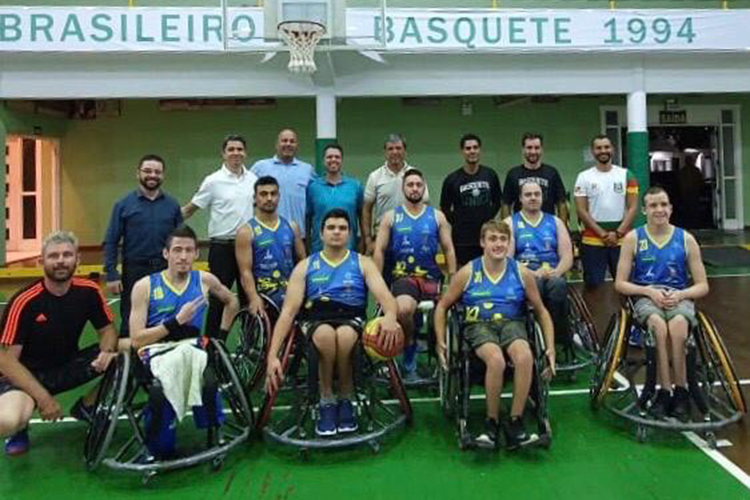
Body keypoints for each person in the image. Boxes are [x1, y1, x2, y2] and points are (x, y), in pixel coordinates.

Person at [265, 209, 402, 437]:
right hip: (315, 319)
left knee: (346, 335)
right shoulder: (305, 266)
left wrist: (390, 317)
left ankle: (346, 396)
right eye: (331, 228)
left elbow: (387, 299)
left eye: (342, 228)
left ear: (349, 234)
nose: (336, 232)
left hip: (351, 318)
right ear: (321, 233)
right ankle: (326, 397)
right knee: (326, 335)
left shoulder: (363, 263)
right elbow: (288, 313)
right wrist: (272, 356)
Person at [434, 220, 555, 449]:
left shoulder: (521, 272)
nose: (498, 244)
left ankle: (515, 422)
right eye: (492, 239)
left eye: (503, 239)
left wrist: (550, 347)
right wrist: (441, 341)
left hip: (512, 323)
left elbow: (541, 311)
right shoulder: (468, 271)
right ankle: (492, 422)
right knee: (496, 359)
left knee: (525, 356)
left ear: (509, 243)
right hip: (479, 325)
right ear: (483, 242)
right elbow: (442, 307)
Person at [0, 231, 119, 456]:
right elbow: (7, 361)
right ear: (41, 262)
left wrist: (107, 351)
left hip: (67, 366)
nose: (61, 261)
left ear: (77, 260)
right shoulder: (24, 301)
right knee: (8, 420)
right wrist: (43, 399)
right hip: (27, 375)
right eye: (53, 256)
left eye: (67, 255)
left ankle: (87, 407)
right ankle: (19, 428)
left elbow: (107, 330)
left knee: (129, 353)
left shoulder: (89, 291)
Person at [129, 225, 239, 459]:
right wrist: (175, 322)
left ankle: (213, 430)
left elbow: (232, 301)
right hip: (156, 350)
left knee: (209, 381)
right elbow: (136, 339)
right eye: (177, 250)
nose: (183, 256)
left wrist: (221, 337)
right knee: (160, 390)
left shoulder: (204, 280)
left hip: (191, 346)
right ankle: (158, 445)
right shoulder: (145, 286)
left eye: (189, 250)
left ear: (196, 254)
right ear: (166, 253)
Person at [614, 186, 709, 419]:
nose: (659, 209)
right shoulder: (633, 238)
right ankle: (664, 391)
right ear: (644, 210)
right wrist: (647, 291)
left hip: (678, 296)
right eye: (653, 205)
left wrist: (681, 295)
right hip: (646, 296)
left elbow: (703, 286)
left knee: (678, 327)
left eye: (664, 204)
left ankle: (681, 390)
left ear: (671, 208)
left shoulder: (686, 239)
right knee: (657, 326)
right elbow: (620, 284)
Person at [374, 169, 457, 381]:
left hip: (431, 278)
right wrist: (377, 283)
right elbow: (379, 251)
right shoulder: (390, 217)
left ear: (424, 187)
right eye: (410, 185)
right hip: (403, 278)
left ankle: (440, 355)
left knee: (443, 313)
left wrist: (453, 278)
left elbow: (448, 249)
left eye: (418, 185)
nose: (414, 189)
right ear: (403, 188)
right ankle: (409, 352)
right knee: (403, 309)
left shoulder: (437, 216)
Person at [182, 134, 257, 337]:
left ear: (245, 153)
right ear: (223, 154)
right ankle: (212, 344)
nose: (235, 153)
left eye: (239, 149)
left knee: (249, 298)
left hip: (248, 248)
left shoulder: (253, 180)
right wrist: (167, 221)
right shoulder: (212, 181)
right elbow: (190, 209)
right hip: (221, 248)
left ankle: (249, 344)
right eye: (231, 149)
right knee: (218, 298)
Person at [103, 154, 183, 337]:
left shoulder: (172, 205)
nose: (152, 175)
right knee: (131, 320)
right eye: (147, 171)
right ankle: (130, 354)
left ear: (162, 175)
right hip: (134, 272)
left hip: (165, 271)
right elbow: (111, 241)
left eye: (157, 172)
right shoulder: (123, 205)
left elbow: (180, 241)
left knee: (168, 318)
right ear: (138, 173)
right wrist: (111, 274)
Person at [504, 182, 573, 351]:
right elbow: (507, 260)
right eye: (528, 195)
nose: (533, 198)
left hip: (552, 273)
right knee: (537, 285)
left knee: (558, 286)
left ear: (542, 197)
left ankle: (558, 337)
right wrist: (533, 273)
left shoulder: (555, 222)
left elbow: (567, 256)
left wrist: (556, 271)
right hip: (525, 273)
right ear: (520, 198)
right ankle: (534, 337)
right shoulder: (510, 223)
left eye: (537, 194)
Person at [235, 176, 306, 316]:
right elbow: (245, 272)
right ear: (255, 198)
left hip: (291, 293)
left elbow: (303, 261)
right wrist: (253, 298)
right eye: (263, 194)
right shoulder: (246, 232)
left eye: (273, 194)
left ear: (279, 197)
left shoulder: (292, 226)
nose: (269, 198)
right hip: (265, 296)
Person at [574, 134, 639, 287]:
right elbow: (581, 210)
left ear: (612, 149)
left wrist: (618, 233)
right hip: (592, 240)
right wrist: (603, 234)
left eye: (606, 147)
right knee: (593, 285)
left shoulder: (627, 175)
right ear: (593, 151)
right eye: (599, 148)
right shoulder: (583, 177)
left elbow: (633, 207)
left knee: (626, 285)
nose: (603, 150)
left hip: (622, 240)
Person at [440, 133, 503, 266]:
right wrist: (459, 221)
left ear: (480, 150)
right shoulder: (452, 179)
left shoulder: (490, 175)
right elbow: (444, 208)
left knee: (488, 272)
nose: (472, 151)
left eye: (475, 147)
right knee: (464, 274)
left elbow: (498, 202)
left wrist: (487, 217)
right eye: (468, 148)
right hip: (462, 240)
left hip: (486, 236)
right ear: (462, 151)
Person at [362, 133, 429, 256]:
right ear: (385, 152)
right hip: (383, 237)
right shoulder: (375, 177)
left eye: (398, 148)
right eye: (390, 149)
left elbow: (425, 205)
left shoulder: (416, 175)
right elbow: (366, 210)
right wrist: (367, 239)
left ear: (405, 151)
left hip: (412, 236)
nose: (395, 152)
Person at [250, 128, 315, 237]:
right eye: (284, 141)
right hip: (266, 235)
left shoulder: (307, 170)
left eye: (292, 141)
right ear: (277, 144)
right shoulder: (260, 167)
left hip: (298, 235)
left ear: (297, 145)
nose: (288, 144)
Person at [306, 143, 365, 253]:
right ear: (323, 160)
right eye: (329, 157)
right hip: (319, 249)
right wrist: (308, 246)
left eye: (337, 157)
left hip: (349, 248)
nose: (333, 160)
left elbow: (362, 216)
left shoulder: (355, 186)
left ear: (341, 160)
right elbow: (308, 218)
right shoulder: (313, 187)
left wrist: (364, 241)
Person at [502, 133, 569, 227]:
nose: (533, 151)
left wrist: (561, 228)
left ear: (542, 150)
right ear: (523, 150)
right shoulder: (513, 174)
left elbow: (561, 203)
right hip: (521, 228)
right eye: (529, 148)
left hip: (548, 228)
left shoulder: (552, 173)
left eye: (537, 148)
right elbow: (506, 204)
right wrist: (507, 229)